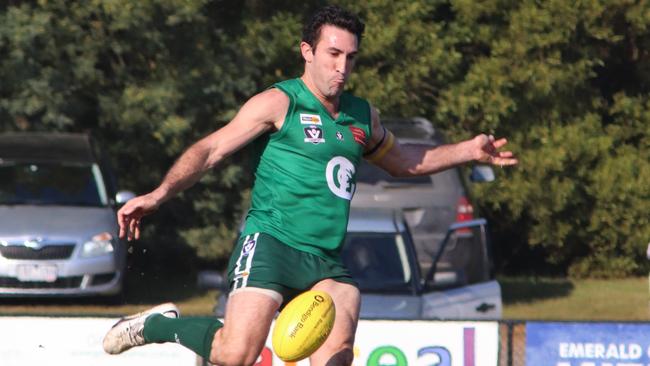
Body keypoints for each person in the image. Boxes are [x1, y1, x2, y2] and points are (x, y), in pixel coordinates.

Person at [102, 5, 518, 366]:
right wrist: (158, 194)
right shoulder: (279, 103)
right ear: (307, 52)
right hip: (271, 243)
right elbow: (210, 150)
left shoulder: (361, 116)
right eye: (333, 54)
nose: (342, 67)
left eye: (351, 57)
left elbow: (404, 162)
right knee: (236, 355)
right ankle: (158, 325)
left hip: (326, 261)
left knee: (339, 342)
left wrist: (468, 149)